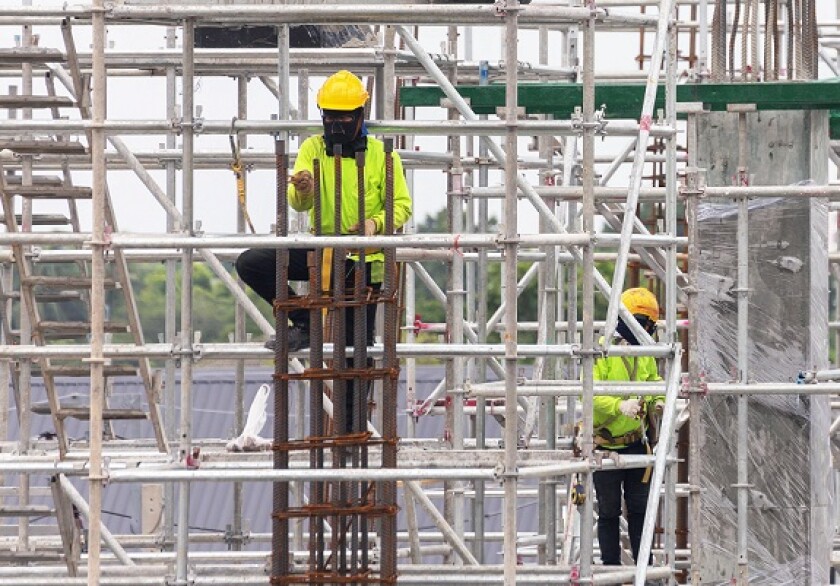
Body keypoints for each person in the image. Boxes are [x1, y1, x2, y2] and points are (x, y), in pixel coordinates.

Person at [236, 70, 412, 352]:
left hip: (363, 259)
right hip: (322, 251)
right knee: (252, 263)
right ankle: (305, 322)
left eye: (343, 117)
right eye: (330, 117)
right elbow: (299, 204)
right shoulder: (313, 148)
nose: (336, 124)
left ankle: (353, 397)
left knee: (355, 349)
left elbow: (402, 206)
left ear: (359, 115)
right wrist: (304, 189)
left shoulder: (383, 155)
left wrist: (374, 224)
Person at [592, 287, 664, 568]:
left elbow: (653, 380)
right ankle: (611, 570)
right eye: (645, 324)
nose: (647, 330)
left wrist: (658, 402)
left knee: (640, 512)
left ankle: (642, 570)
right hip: (606, 446)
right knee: (609, 513)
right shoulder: (601, 349)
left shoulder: (644, 350)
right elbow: (591, 395)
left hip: (636, 443)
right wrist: (619, 406)